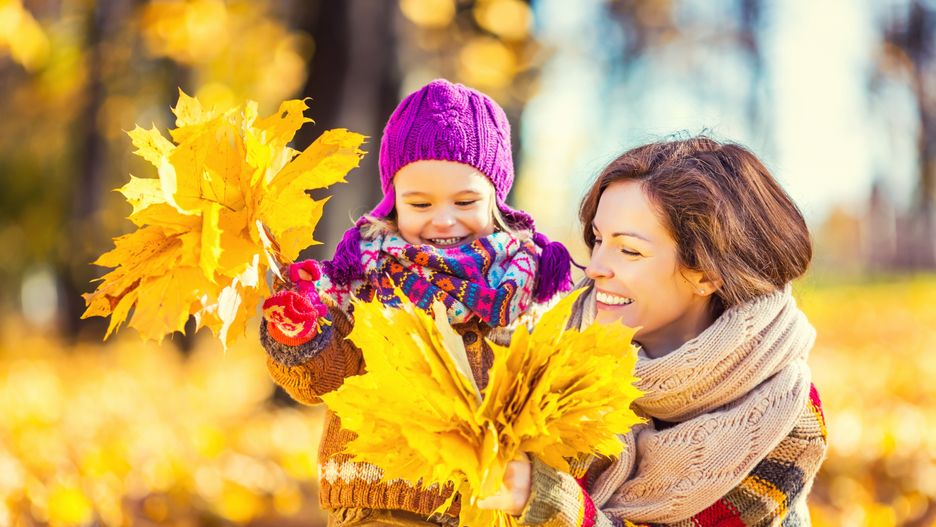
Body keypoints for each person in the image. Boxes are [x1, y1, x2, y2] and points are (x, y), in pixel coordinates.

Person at [258, 79, 573, 527]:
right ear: (393, 202)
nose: (443, 220)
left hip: (483, 507)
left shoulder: (527, 288)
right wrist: (301, 334)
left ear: (497, 199)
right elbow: (321, 381)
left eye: (465, 201)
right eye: (420, 204)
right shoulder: (363, 280)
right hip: (377, 502)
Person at [478, 136, 828, 526]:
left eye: (629, 250)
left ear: (706, 274)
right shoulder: (556, 343)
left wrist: (547, 501)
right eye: (598, 240)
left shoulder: (783, 414)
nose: (595, 268)